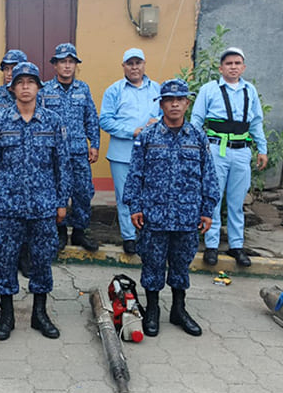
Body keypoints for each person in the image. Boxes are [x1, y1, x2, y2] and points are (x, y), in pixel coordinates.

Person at [123, 79, 220, 337]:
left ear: (187, 103)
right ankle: (152, 310)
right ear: (161, 104)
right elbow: (135, 174)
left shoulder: (197, 137)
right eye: (169, 100)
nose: (174, 104)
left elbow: (209, 175)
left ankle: (178, 309)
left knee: (181, 265)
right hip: (154, 215)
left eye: (179, 100)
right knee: (152, 264)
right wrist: (134, 206)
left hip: (187, 215)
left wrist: (207, 209)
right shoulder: (148, 137)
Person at [0, 61, 70, 340]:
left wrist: (62, 201)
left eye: (31, 82)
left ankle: (39, 314)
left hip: (44, 204)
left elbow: (62, 164)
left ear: (39, 87)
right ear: (12, 88)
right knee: (6, 259)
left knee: (42, 259)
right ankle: (7, 315)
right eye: (20, 82)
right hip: (9, 204)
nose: (25, 87)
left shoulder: (53, 121)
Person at [191, 47, 268, 267]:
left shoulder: (249, 90)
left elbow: (256, 122)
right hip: (216, 149)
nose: (233, 67)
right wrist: (196, 148)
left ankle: (236, 245)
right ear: (221, 68)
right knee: (213, 197)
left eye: (237, 63)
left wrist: (262, 149)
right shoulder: (209, 89)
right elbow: (196, 120)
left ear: (243, 67)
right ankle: (211, 245)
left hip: (241, 150)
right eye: (228, 63)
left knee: (237, 200)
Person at [99, 48, 161, 254]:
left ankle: (147, 234)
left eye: (138, 63)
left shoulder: (157, 89)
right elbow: (105, 120)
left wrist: (157, 121)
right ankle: (129, 236)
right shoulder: (114, 90)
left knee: (149, 195)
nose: (134, 67)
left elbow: (168, 114)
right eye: (130, 63)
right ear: (123, 66)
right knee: (125, 196)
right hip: (122, 153)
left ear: (144, 64)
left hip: (151, 154)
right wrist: (131, 131)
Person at [39, 43, 100, 252]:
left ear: (75, 65)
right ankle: (60, 232)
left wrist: (94, 144)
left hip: (79, 151)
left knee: (83, 191)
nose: (67, 66)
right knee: (58, 191)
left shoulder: (83, 89)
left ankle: (80, 232)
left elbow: (91, 118)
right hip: (54, 153)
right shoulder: (45, 90)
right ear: (55, 65)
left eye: (71, 62)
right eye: (63, 62)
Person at [0, 48, 31, 277]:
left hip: (30, 167)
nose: (9, 73)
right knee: (5, 216)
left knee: (28, 215)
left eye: (14, 68)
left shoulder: (33, 95)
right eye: (7, 68)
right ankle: (7, 258)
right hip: (3, 167)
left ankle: (25, 256)